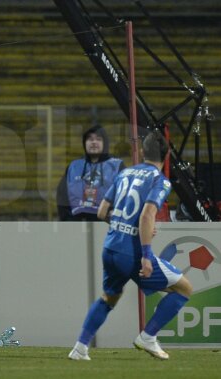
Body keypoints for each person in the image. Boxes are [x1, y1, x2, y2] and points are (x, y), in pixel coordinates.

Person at [68, 130, 193, 361]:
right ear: (166, 157)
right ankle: (148, 337)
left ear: (143, 152)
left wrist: (124, 223)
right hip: (133, 253)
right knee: (184, 288)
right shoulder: (159, 180)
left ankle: (80, 348)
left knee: (109, 298)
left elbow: (102, 211)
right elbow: (147, 215)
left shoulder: (124, 173)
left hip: (111, 247)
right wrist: (146, 255)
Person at [56, 124, 125, 221]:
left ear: (105, 143)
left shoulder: (117, 166)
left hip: (107, 223)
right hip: (77, 224)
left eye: (98, 139)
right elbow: (62, 196)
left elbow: (125, 195)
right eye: (90, 139)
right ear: (84, 143)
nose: (94, 142)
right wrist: (69, 221)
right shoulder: (74, 166)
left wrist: (115, 216)